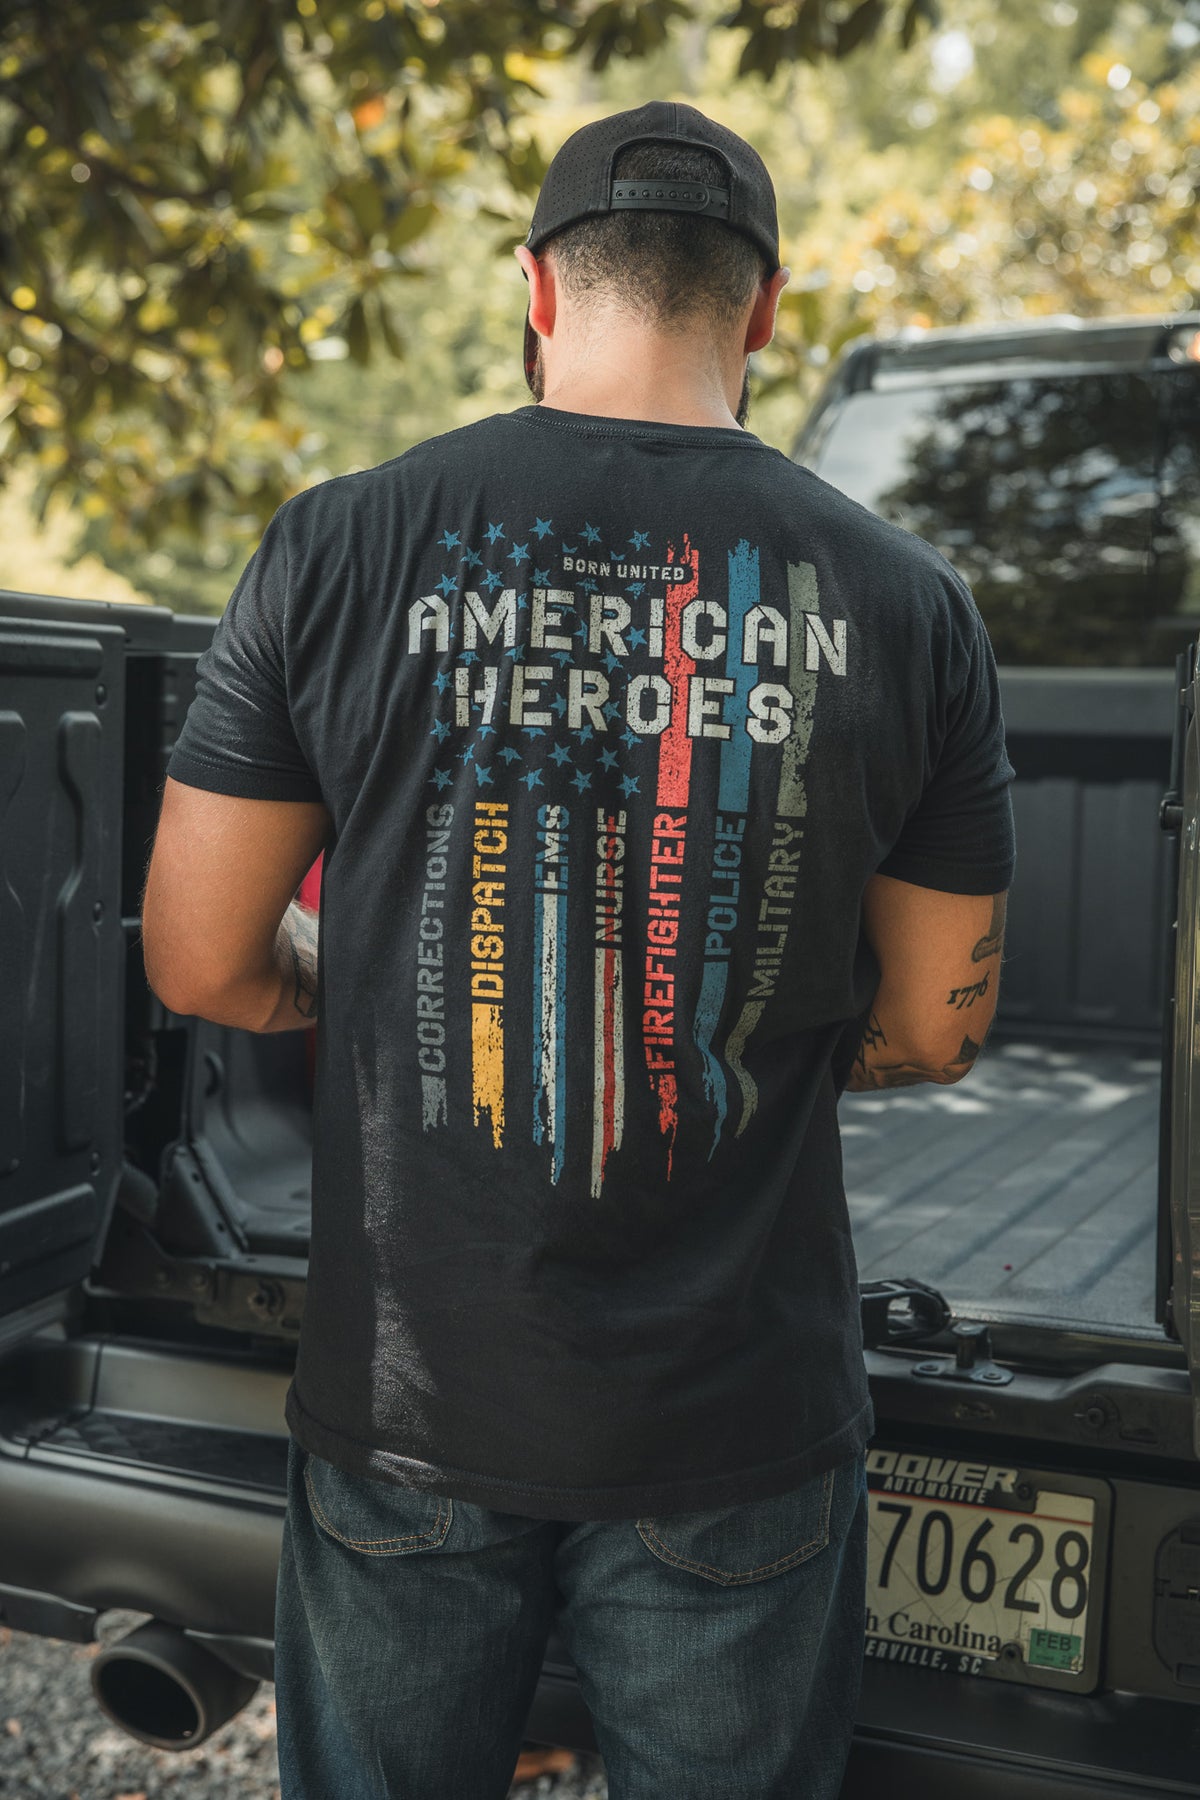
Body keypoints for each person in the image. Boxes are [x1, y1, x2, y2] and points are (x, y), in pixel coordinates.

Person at [141, 100, 1015, 1800]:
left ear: (538, 288)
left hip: (414, 1402)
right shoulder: (907, 602)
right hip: (737, 1416)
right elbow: (934, 1025)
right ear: (763, 309)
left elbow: (201, 961)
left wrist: (370, 991)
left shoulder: (343, 542)